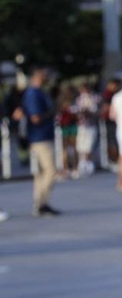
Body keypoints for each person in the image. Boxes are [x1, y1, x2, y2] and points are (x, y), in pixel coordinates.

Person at [21, 67, 61, 216]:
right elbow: (35, 117)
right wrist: (50, 114)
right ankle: (41, 203)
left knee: (41, 173)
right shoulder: (34, 94)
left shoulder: (39, 93)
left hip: (42, 136)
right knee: (50, 171)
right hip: (40, 137)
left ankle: (41, 203)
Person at [74, 83, 101, 177]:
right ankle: (83, 163)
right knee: (81, 145)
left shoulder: (94, 97)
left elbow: (96, 111)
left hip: (91, 124)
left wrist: (88, 112)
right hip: (82, 125)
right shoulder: (79, 99)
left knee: (89, 145)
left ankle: (88, 163)